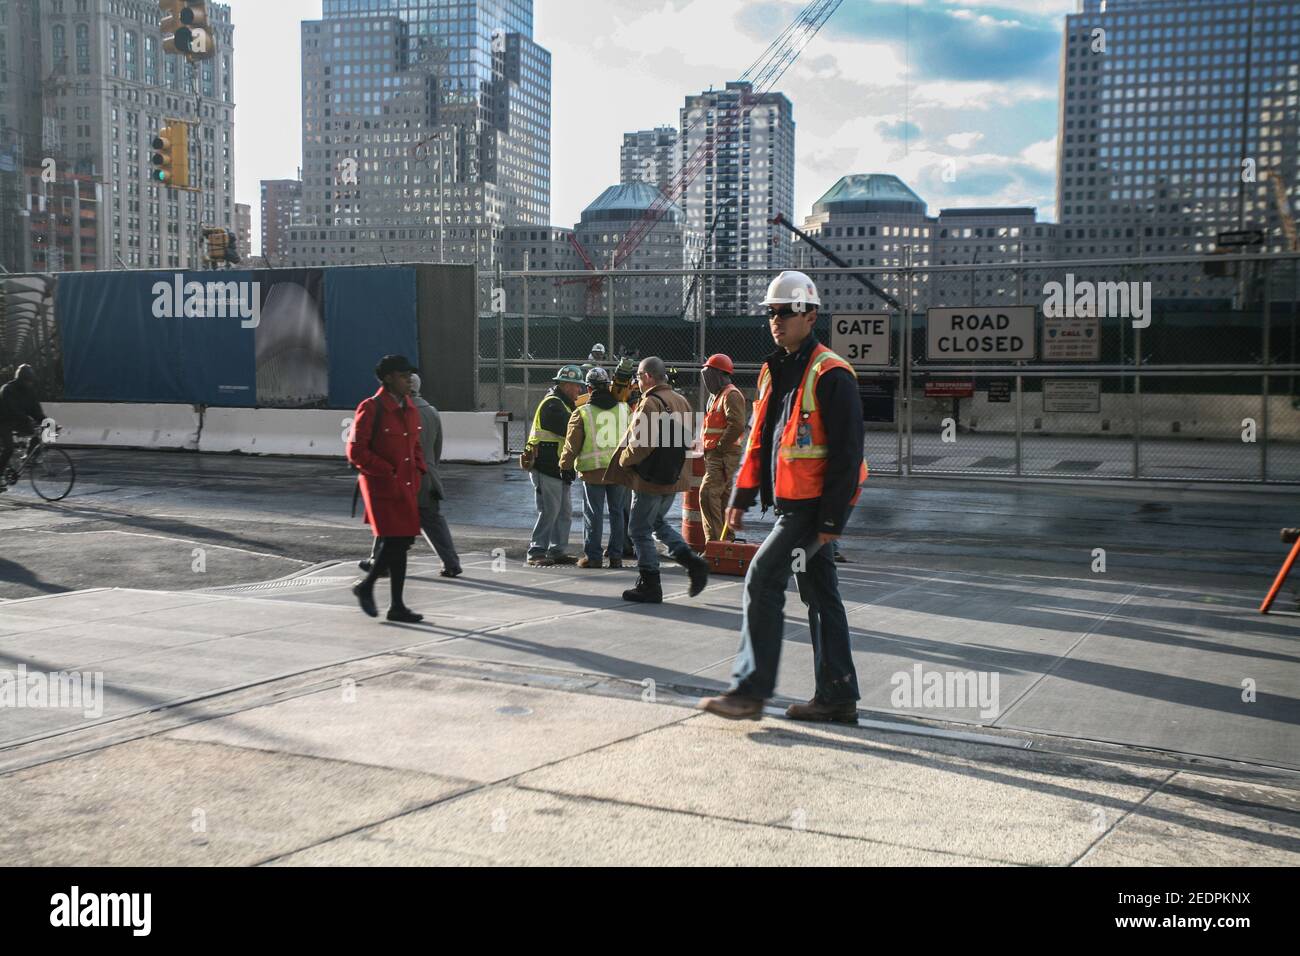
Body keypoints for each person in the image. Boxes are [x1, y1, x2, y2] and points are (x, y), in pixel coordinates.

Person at [698, 271, 867, 722]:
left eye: (787, 312)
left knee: (762, 578)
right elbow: (759, 440)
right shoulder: (776, 372)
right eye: (772, 313)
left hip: (812, 510)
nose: (777, 320)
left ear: (810, 316)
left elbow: (849, 454)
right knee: (821, 597)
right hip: (793, 506)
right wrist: (742, 494)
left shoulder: (831, 373)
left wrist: (832, 521)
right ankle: (838, 696)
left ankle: (749, 692)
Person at [604, 356, 710, 604]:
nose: (636, 382)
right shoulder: (681, 401)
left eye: (638, 377)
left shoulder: (650, 402)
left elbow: (641, 444)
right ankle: (693, 563)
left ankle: (650, 583)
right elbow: (684, 439)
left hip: (649, 479)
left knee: (639, 530)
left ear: (648, 377)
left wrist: (623, 460)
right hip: (672, 476)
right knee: (657, 522)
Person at [348, 354, 428, 624]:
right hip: (381, 485)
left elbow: (415, 445)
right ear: (389, 378)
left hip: (405, 484)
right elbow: (356, 451)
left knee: (402, 541)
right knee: (396, 539)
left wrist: (417, 470)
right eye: (404, 376)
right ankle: (367, 587)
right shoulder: (371, 408)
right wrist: (388, 471)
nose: (409, 380)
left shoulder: (409, 407)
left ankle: (396, 605)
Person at [359, 372, 462, 579]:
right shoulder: (431, 411)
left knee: (388, 519)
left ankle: (379, 561)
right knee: (432, 520)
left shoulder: (394, 411)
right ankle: (451, 562)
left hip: (401, 476)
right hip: (427, 475)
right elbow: (436, 448)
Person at [559, 366, 629, 569]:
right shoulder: (624, 409)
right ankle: (616, 557)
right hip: (619, 470)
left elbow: (572, 445)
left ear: (588, 389)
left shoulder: (582, 412)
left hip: (593, 471)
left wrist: (565, 465)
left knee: (594, 514)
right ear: (608, 386)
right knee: (617, 513)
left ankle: (594, 557)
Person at [526, 364, 584, 567]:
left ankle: (557, 550)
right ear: (567, 385)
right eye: (577, 386)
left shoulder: (564, 404)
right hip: (546, 467)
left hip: (559, 468)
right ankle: (537, 551)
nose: (580, 390)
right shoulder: (552, 405)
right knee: (550, 511)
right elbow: (571, 428)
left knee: (564, 512)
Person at [698, 353, 748, 542]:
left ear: (719, 374)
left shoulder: (731, 394)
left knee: (708, 494)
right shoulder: (718, 395)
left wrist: (720, 446)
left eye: (709, 374)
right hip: (716, 454)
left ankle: (714, 544)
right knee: (722, 499)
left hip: (723, 455)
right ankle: (726, 542)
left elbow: (736, 425)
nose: (706, 378)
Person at [0, 365, 45, 492]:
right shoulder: (8, 389)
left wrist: (48, 422)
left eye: (31, 380)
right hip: (2, 420)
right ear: (20, 379)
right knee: (9, 448)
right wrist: (27, 419)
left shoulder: (30, 391)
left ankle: (27, 456)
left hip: (17, 420)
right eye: (27, 380)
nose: (30, 383)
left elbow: (36, 411)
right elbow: (13, 409)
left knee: (37, 434)